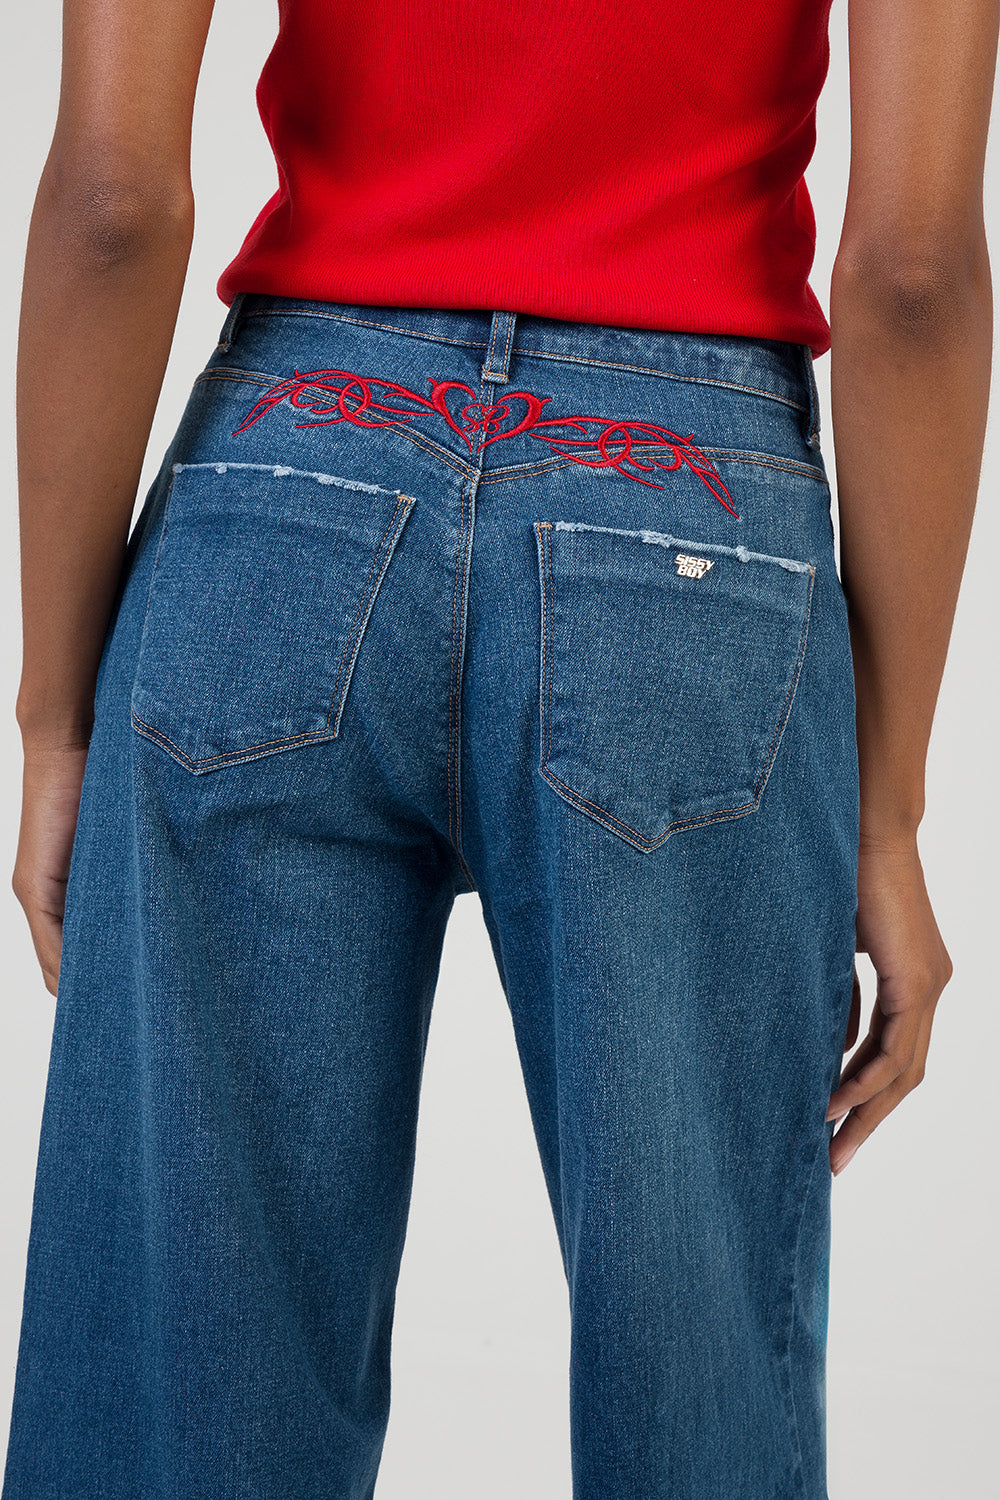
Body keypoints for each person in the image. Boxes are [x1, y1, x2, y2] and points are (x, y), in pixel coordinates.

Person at [2, 0, 994, 1494]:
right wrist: (885, 812)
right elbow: (913, 269)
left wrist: (55, 722)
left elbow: (111, 199)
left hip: (287, 488)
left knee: (175, 1405)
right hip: (685, 518)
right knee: (701, 1407)